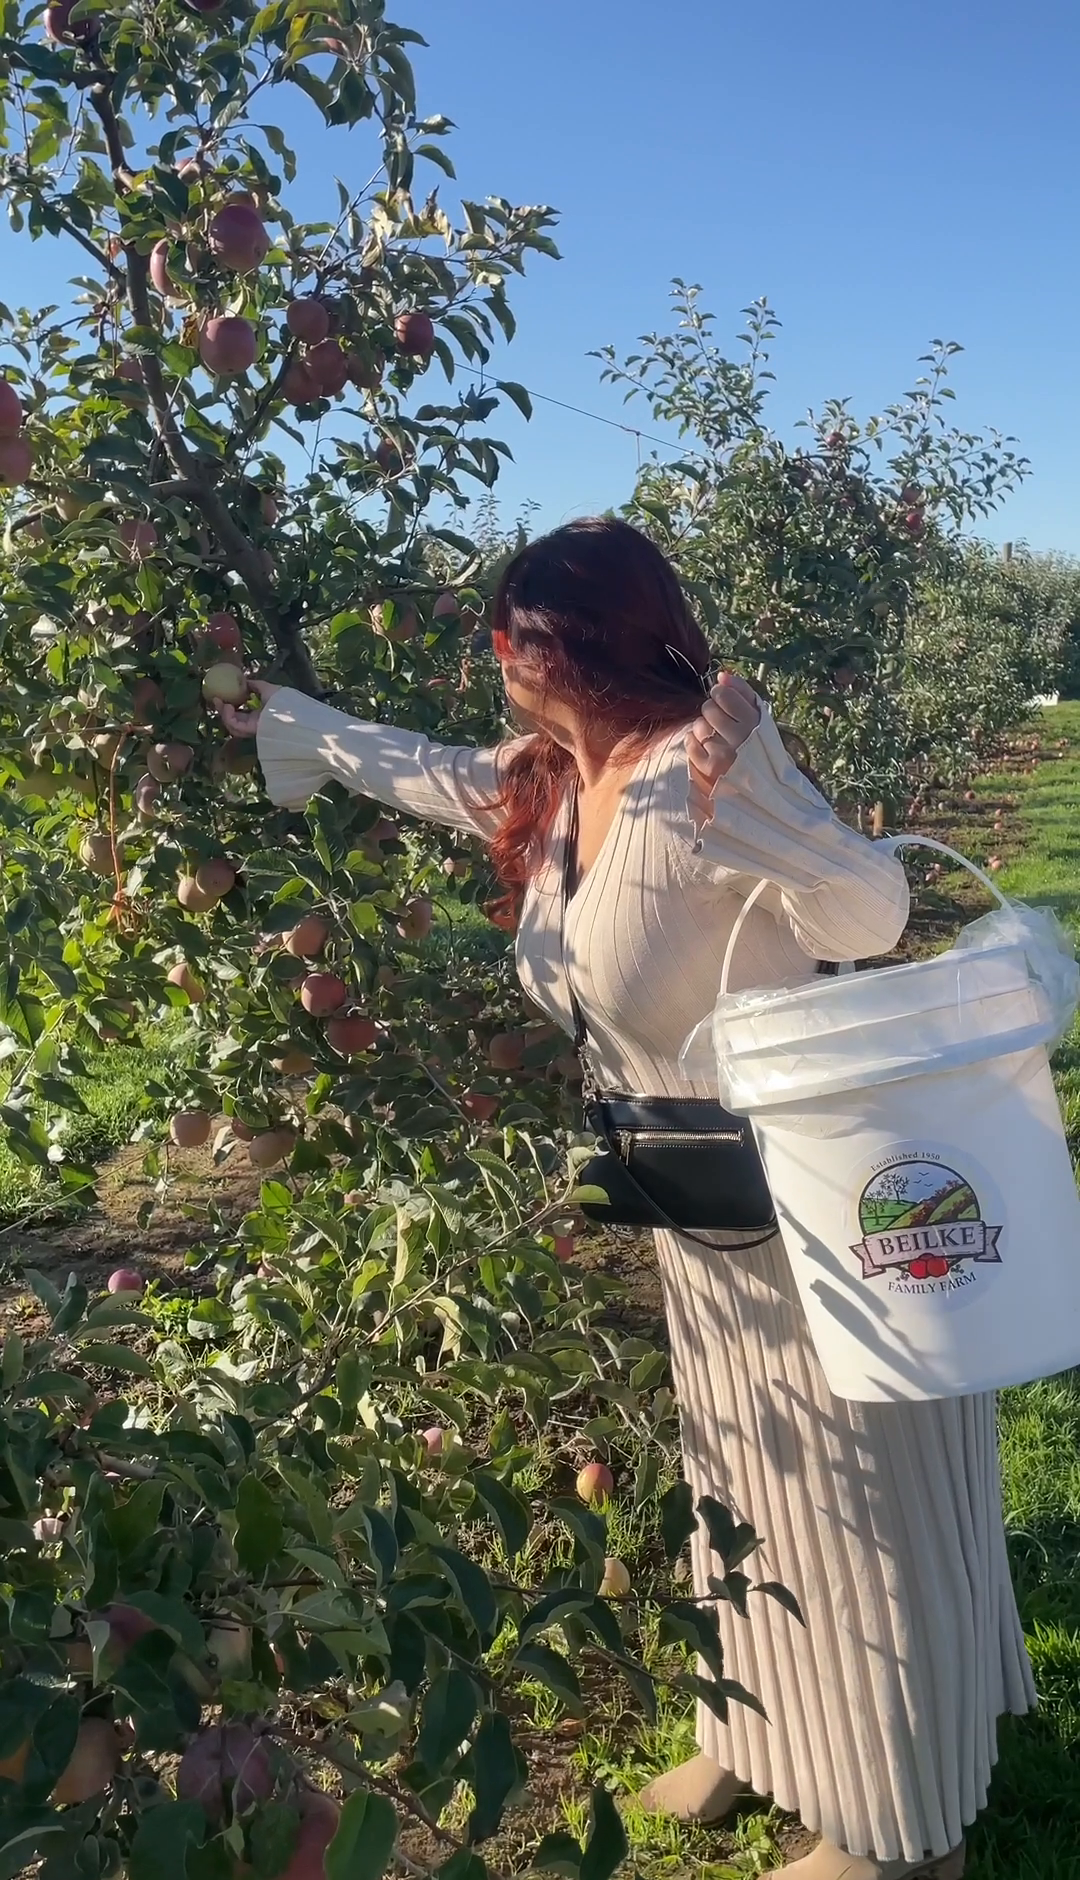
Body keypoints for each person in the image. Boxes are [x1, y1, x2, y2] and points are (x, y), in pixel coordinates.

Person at [222, 518, 1032, 1879]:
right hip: (698, 1208)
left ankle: (899, 1828)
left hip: (820, 1217)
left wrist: (770, 788)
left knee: (860, 1510)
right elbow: (422, 774)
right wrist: (292, 722)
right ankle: (764, 1734)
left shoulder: (702, 781)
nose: (494, 663)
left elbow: (871, 909)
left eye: (507, 638)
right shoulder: (554, 787)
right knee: (745, 1478)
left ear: (548, 647)